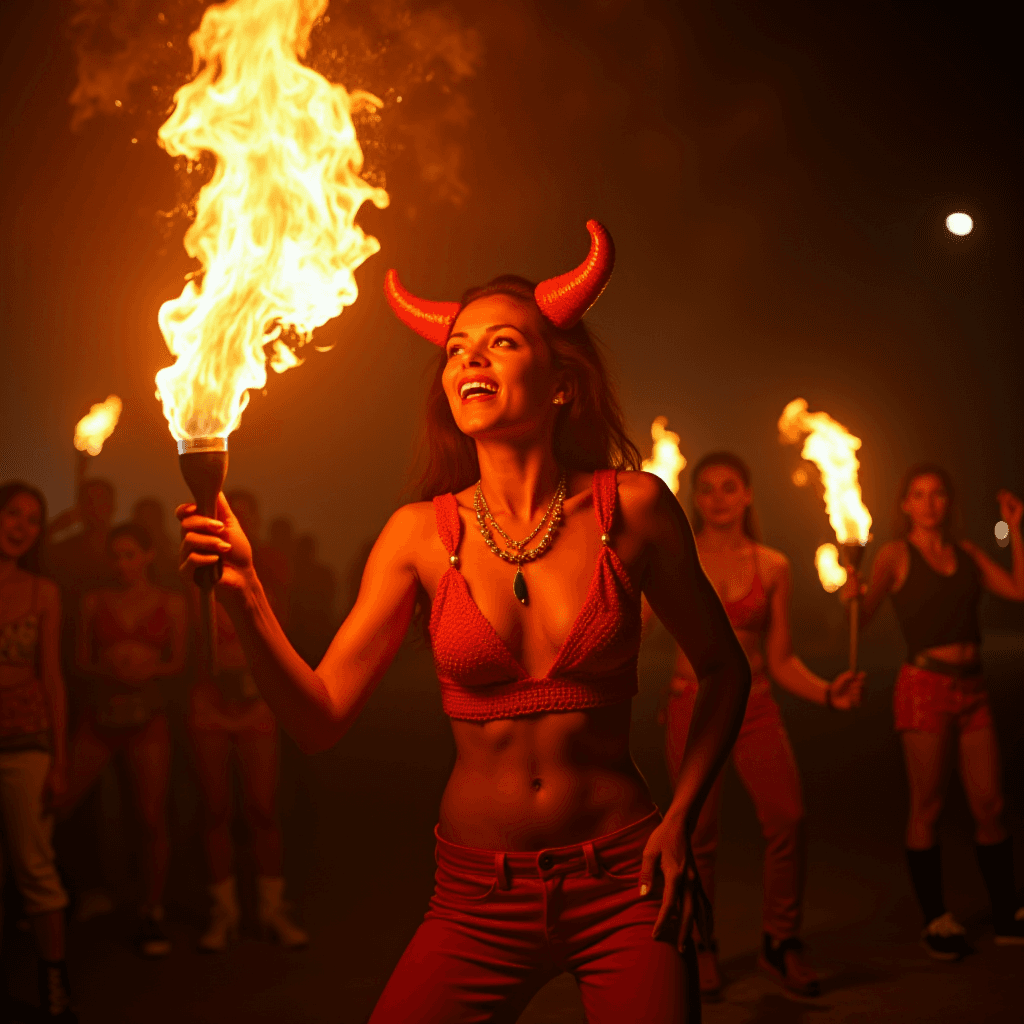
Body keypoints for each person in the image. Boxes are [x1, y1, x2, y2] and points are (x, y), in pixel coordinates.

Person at [178, 220, 751, 1022]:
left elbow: (726, 669)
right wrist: (246, 596)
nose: (470, 357)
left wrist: (683, 820)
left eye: (503, 342)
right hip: (479, 899)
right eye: (457, 349)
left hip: (625, 880)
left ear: (560, 383)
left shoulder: (637, 508)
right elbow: (318, 719)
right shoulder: (417, 534)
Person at [658, 453, 864, 999]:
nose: (718, 498)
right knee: (695, 835)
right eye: (707, 489)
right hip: (693, 705)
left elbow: (782, 658)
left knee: (788, 819)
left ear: (748, 494)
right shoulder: (673, 558)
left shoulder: (772, 565)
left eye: (730, 487)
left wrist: (827, 691)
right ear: (694, 497)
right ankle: (700, 947)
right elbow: (625, 624)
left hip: (755, 705)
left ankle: (780, 942)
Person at [848, 465, 1024, 959]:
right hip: (924, 687)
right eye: (918, 495)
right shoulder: (895, 554)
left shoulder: (966, 553)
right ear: (904, 505)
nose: (929, 503)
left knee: (990, 805)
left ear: (948, 502)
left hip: (974, 689)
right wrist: (851, 597)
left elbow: (1018, 589)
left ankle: (1008, 913)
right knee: (927, 806)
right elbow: (864, 612)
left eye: (938, 494)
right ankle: (936, 919)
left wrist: (1016, 529)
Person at [59, 523, 187, 957]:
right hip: (101, 713)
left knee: (150, 817)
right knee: (60, 802)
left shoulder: (171, 603)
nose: (122, 564)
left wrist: (147, 671)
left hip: (147, 717)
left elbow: (180, 663)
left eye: (131, 555)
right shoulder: (94, 601)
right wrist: (111, 670)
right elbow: (79, 661)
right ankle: (55, 895)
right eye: (116, 556)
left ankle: (151, 910)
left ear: (149, 555)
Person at [0, 482, 76, 1022]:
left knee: (34, 868)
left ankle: (54, 985)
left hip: (26, 741)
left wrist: (60, 758)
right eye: (13, 514)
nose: (21, 526)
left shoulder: (44, 591)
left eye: (33, 519)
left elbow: (52, 677)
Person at [132, 498, 183, 592]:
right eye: (143, 518)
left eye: (151, 518)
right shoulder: (128, 551)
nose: (147, 524)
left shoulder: (174, 551)